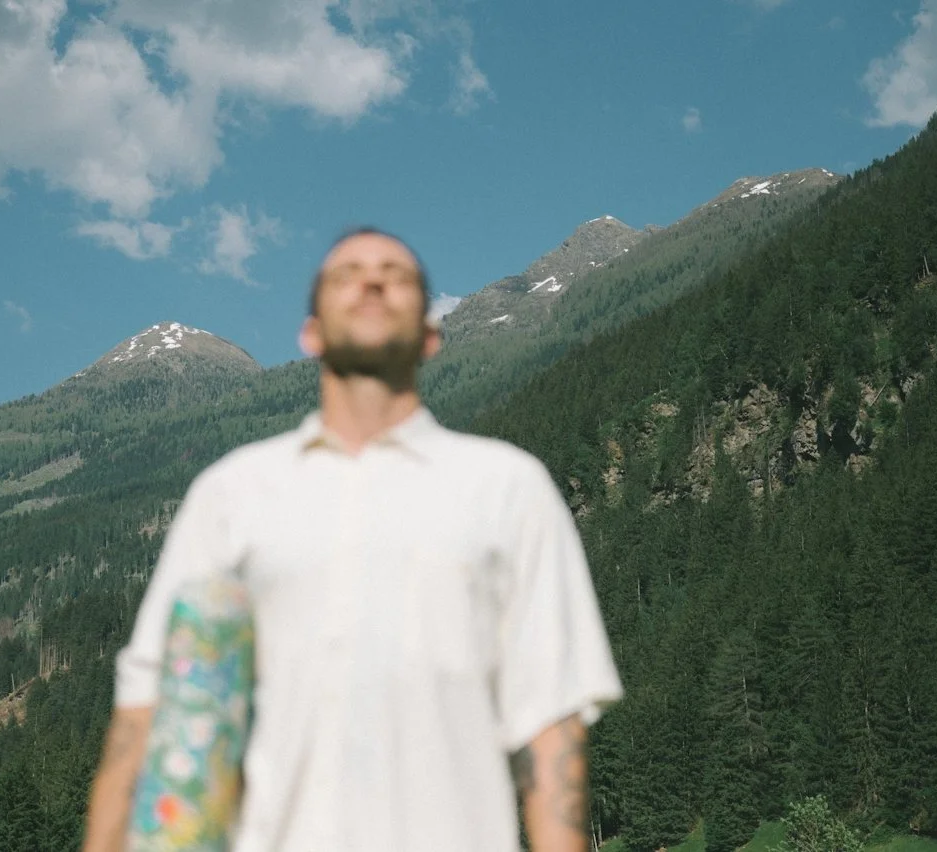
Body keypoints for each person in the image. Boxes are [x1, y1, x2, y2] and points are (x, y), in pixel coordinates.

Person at [84, 227, 624, 851]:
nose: (370, 282)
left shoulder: (508, 486)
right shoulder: (232, 493)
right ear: (311, 334)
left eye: (395, 276)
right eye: (346, 276)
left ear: (431, 335)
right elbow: (151, 707)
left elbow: (550, 721)